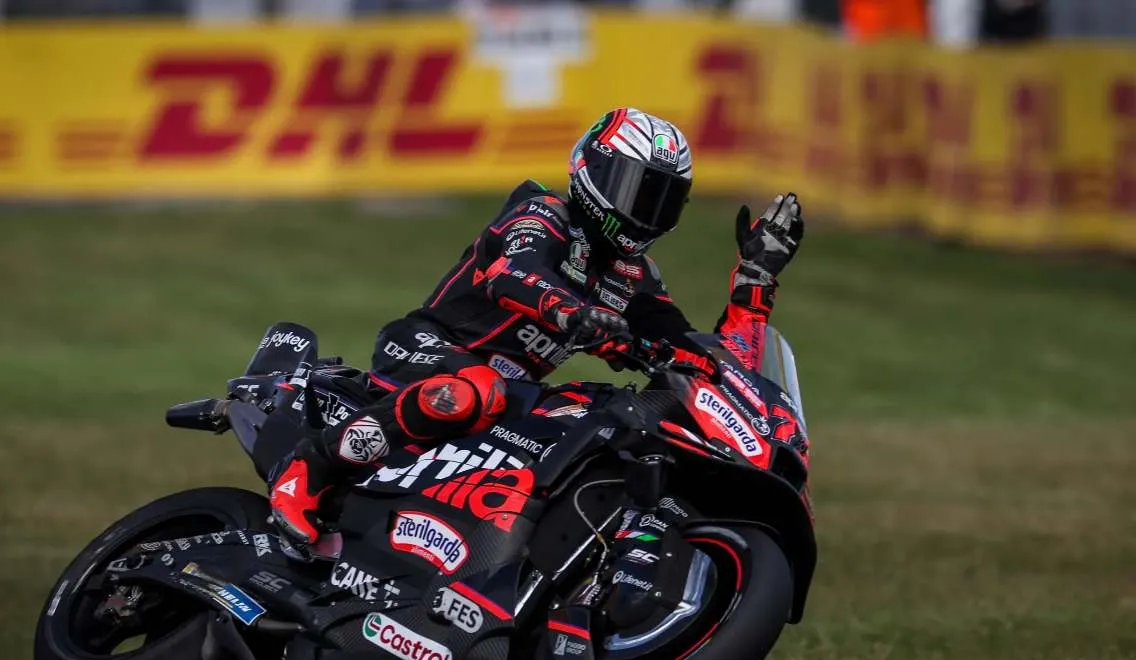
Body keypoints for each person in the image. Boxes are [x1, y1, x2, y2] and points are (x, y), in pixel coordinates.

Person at [267, 107, 805, 545]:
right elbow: (514, 276)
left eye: (662, 199)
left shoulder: (633, 275)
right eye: (637, 191)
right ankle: (312, 464)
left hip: (511, 392)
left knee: (588, 418)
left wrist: (752, 286)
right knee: (476, 389)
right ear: (592, 173)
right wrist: (576, 314)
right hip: (427, 350)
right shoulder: (542, 214)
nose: (647, 212)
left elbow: (702, 359)